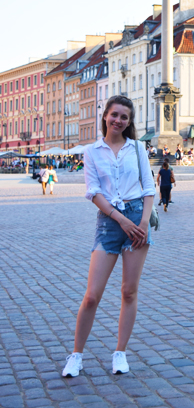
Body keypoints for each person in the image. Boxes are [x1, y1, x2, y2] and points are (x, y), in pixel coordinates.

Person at [63, 95, 155, 378]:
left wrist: (139, 222)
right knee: (92, 295)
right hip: (109, 221)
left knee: (129, 291)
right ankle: (76, 355)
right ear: (105, 116)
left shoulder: (138, 148)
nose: (118, 121)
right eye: (114, 115)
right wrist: (120, 220)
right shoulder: (91, 151)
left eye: (124, 117)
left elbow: (149, 188)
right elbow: (93, 192)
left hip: (137, 219)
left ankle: (120, 353)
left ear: (129, 122)